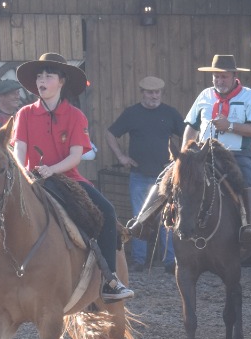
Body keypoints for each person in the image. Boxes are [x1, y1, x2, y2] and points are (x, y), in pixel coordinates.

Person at [12, 53, 132, 301]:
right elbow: (18, 152)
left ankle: (110, 280)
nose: (42, 80)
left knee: (108, 212)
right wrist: (23, 174)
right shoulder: (24, 113)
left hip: (68, 180)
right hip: (30, 179)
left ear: (61, 81)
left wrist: (52, 169)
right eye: (39, 75)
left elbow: (76, 157)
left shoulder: (76, 116)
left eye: (48, 75)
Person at [182, 54, 251, 243]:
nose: (219, 81)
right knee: (173, 176)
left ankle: (249, 224)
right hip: (203, 152)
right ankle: (146, 220)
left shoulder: (250, 97)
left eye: (224, 77)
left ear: (234, 75)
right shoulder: (204, 95)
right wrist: (185, 152)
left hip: (236, 155)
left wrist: (230, 126)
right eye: (216, 77)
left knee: (249, 176)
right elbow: (191, 126)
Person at [104, 75, 184, 270]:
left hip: (166, 175)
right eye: (150, 92)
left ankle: (169, 262)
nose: (154, 95)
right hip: (139, 174)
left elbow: (188, 134)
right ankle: (139, 261)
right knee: (140, 217)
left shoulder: (170, 113)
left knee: (169, 216)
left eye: (157, 92)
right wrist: (121, 157)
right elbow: (110, 133)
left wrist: (181, 159)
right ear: (142, 93)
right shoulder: (132, 114)